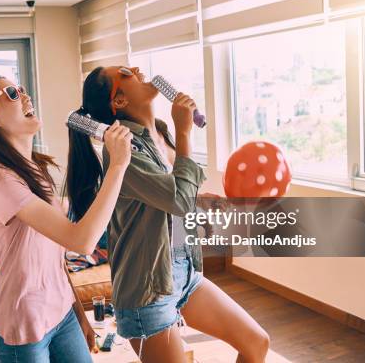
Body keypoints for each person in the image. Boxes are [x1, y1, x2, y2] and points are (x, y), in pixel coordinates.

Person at [66, 67, 270, 363]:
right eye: (126, 73)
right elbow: (177, 199)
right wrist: (185, 131)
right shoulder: (122, 147)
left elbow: (164, 195)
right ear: (119, 101)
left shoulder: (159, 131)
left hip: (183, 273)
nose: (136, 69)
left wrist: (198, 200)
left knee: (257, 342)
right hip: (147, 290)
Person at [0, 74, 132, 363]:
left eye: (22, 89)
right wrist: (118, 165)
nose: (25, 97)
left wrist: (79, 316)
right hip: (27, 325)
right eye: (12, 93)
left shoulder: (35, 168)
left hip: (62, 312)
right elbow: (82, 240)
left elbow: (55, 256)